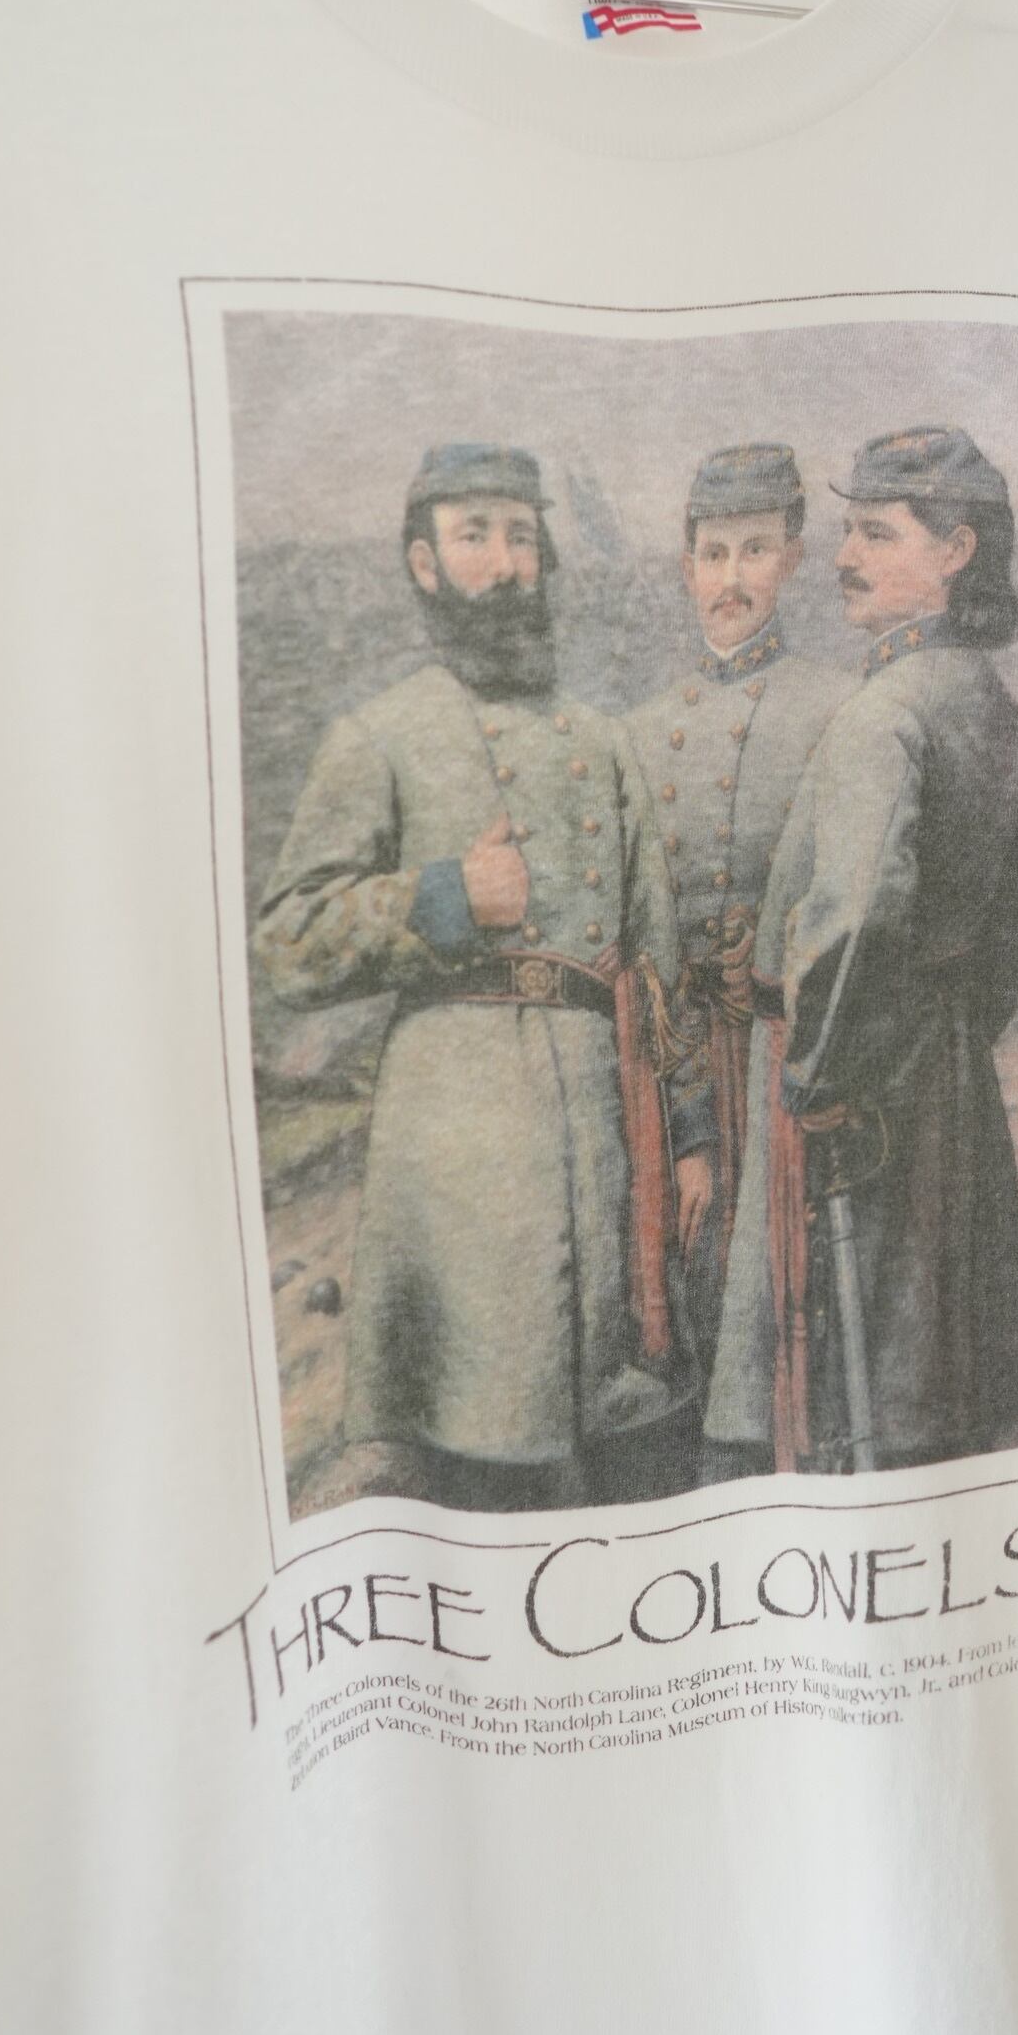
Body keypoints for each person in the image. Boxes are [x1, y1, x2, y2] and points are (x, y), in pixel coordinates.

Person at [254, 443, 700, 1511]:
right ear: (424, 563)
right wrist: (449, 895)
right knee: (479, 1452)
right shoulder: (380, 737)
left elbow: (656, 965)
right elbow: (287, 940)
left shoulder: (603, 743)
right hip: (456, 1156)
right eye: (474, 537)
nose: (503, 564)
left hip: (603, 1140)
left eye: (520, 537)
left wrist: (689, 1139)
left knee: (626, 1436)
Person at [707, 426, 1018, 1473]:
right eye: (848, 533)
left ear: (956, 552)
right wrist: (944, 1038)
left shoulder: (883, 716)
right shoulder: (990, 706)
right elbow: (1016, 928)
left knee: (839, 1387)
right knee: (940, 1371)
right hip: (942, 1077)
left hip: (850, 1092)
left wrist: (817, 1077)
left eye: (876, 534)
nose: (845, 557)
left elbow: (854, 920)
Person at [625, 445, 849, 1422]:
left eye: (755, 551)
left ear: (792, 558)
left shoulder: (837, 708)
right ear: (686, 568)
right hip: (679, 1060)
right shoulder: (641, 732)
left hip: (781, 1047)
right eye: (713, 554)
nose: (731, 578)